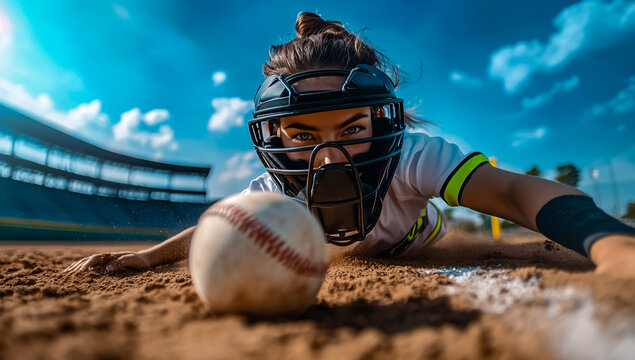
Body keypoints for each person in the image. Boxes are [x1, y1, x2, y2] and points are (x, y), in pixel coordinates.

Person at [65, 12, 635, 278]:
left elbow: (513, 192)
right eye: (303, 134)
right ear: (274, 136)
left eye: (353, 130)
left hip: (421, 240)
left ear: (383, 122)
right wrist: (145, 256)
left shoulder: (414, 155)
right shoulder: (274, 189)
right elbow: (217, 225)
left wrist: (610, 243)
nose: (330, 157)